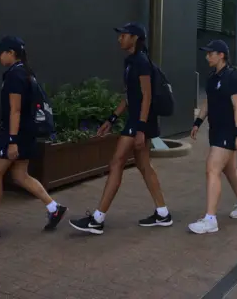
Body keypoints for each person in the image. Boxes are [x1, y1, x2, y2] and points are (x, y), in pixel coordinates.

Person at [70, 23, 172, 234]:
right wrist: (111, 119)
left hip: (140, 121)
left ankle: (97, 219)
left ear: (135, 38)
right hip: (136, 120)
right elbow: (129, 97)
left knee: (116, 162)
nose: (119, 39)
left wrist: (141, 129)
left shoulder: (142, 62)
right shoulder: (130, 62)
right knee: (144, 166)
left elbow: (147, 96)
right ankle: (163, 213)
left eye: (123, 35)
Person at [0, 36, 67, 240]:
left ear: (11, 53)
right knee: (20, 175)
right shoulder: (27, 73)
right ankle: (54, 208)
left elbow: (15, 110)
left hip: (15, 133)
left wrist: (11, 140)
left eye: (1, 53)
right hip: (27, 133)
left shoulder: (14, 75)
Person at [188, 40, 237, 234]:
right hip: (215, 130)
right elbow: (208, 102)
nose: (207, 57)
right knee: (230, 170)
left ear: (221, 55)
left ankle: (210, 219)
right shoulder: (211, 77)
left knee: (212, 168)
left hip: (228, 131)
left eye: (210, 53)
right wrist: (197, 122)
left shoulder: (233, 77)